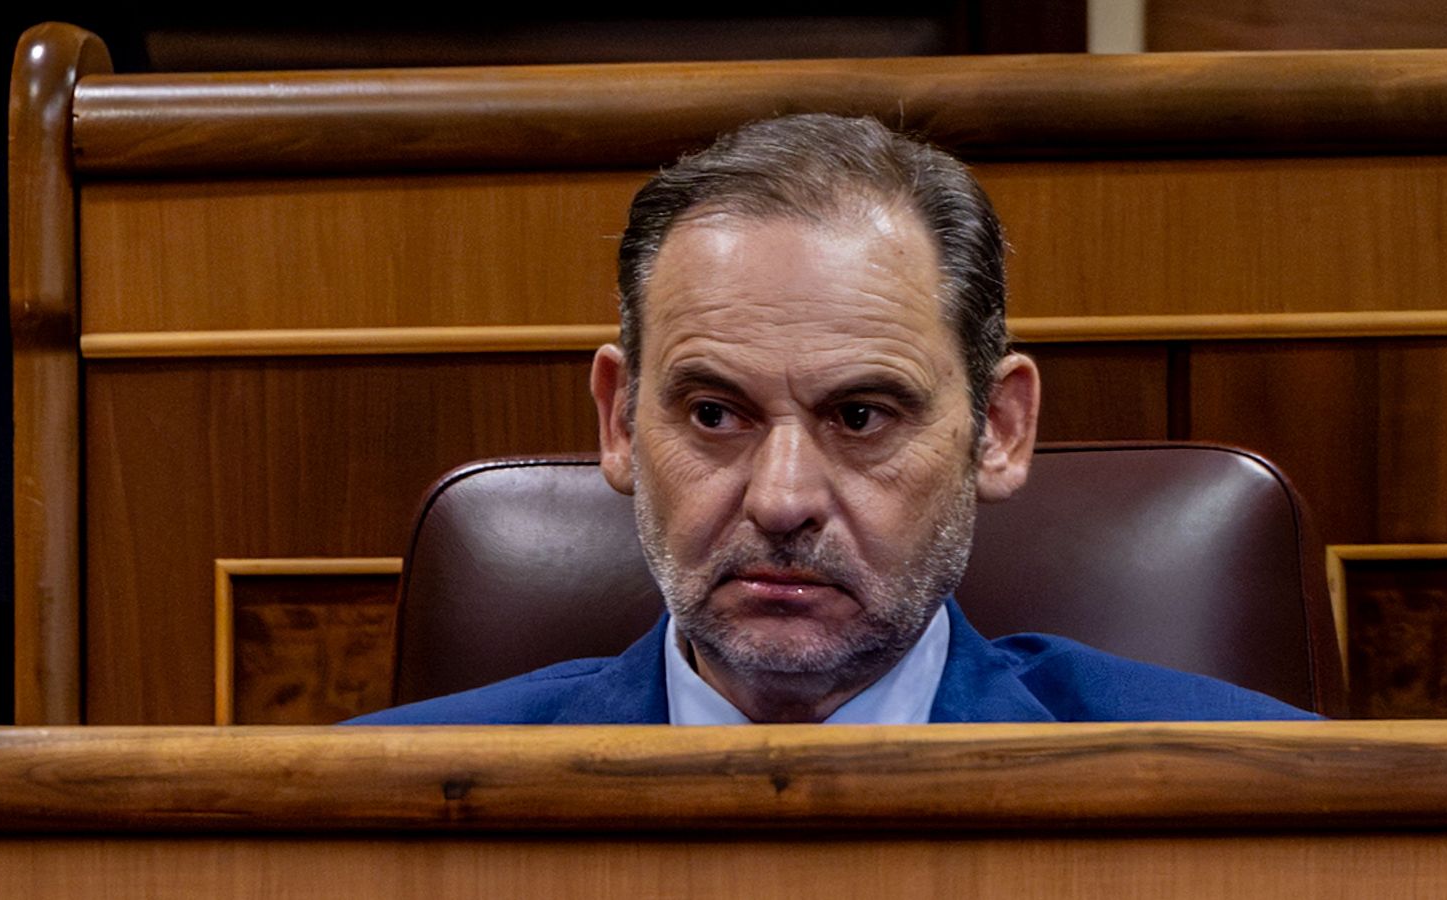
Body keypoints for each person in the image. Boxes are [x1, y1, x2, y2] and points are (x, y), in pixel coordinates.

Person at [352, 114, 1315, 725]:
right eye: (715, 413)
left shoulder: (1248, 797)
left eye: (860, 415)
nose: (781, 501)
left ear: (999, 428)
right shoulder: (377, 812)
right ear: (618, 422)